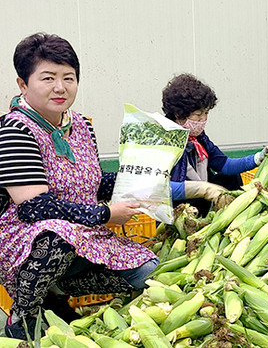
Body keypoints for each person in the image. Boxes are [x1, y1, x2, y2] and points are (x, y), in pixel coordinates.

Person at [0, 33, 158, 340]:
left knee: (149, 272)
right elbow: (35, 206)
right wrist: (105, 214)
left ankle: (58, 289)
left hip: (86, 232)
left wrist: (142, 183)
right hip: (26, 239)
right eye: (48, 78)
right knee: (58, 233)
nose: (60, 87)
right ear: (23, 84)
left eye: (68, 78)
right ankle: (24, 312)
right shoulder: (14, 130)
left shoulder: (82, 125)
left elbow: (95, 182)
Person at [162, 73, 268, 215]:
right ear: (178, 114)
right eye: (198, 114)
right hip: (178, 208)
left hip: (202, 200)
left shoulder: (199, 139)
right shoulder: (163, 142)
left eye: (206, 113)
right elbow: (159, 188)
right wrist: (204, 189)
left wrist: (257, 158)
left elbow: (225, 165)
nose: (203, 119)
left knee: (231, 178)